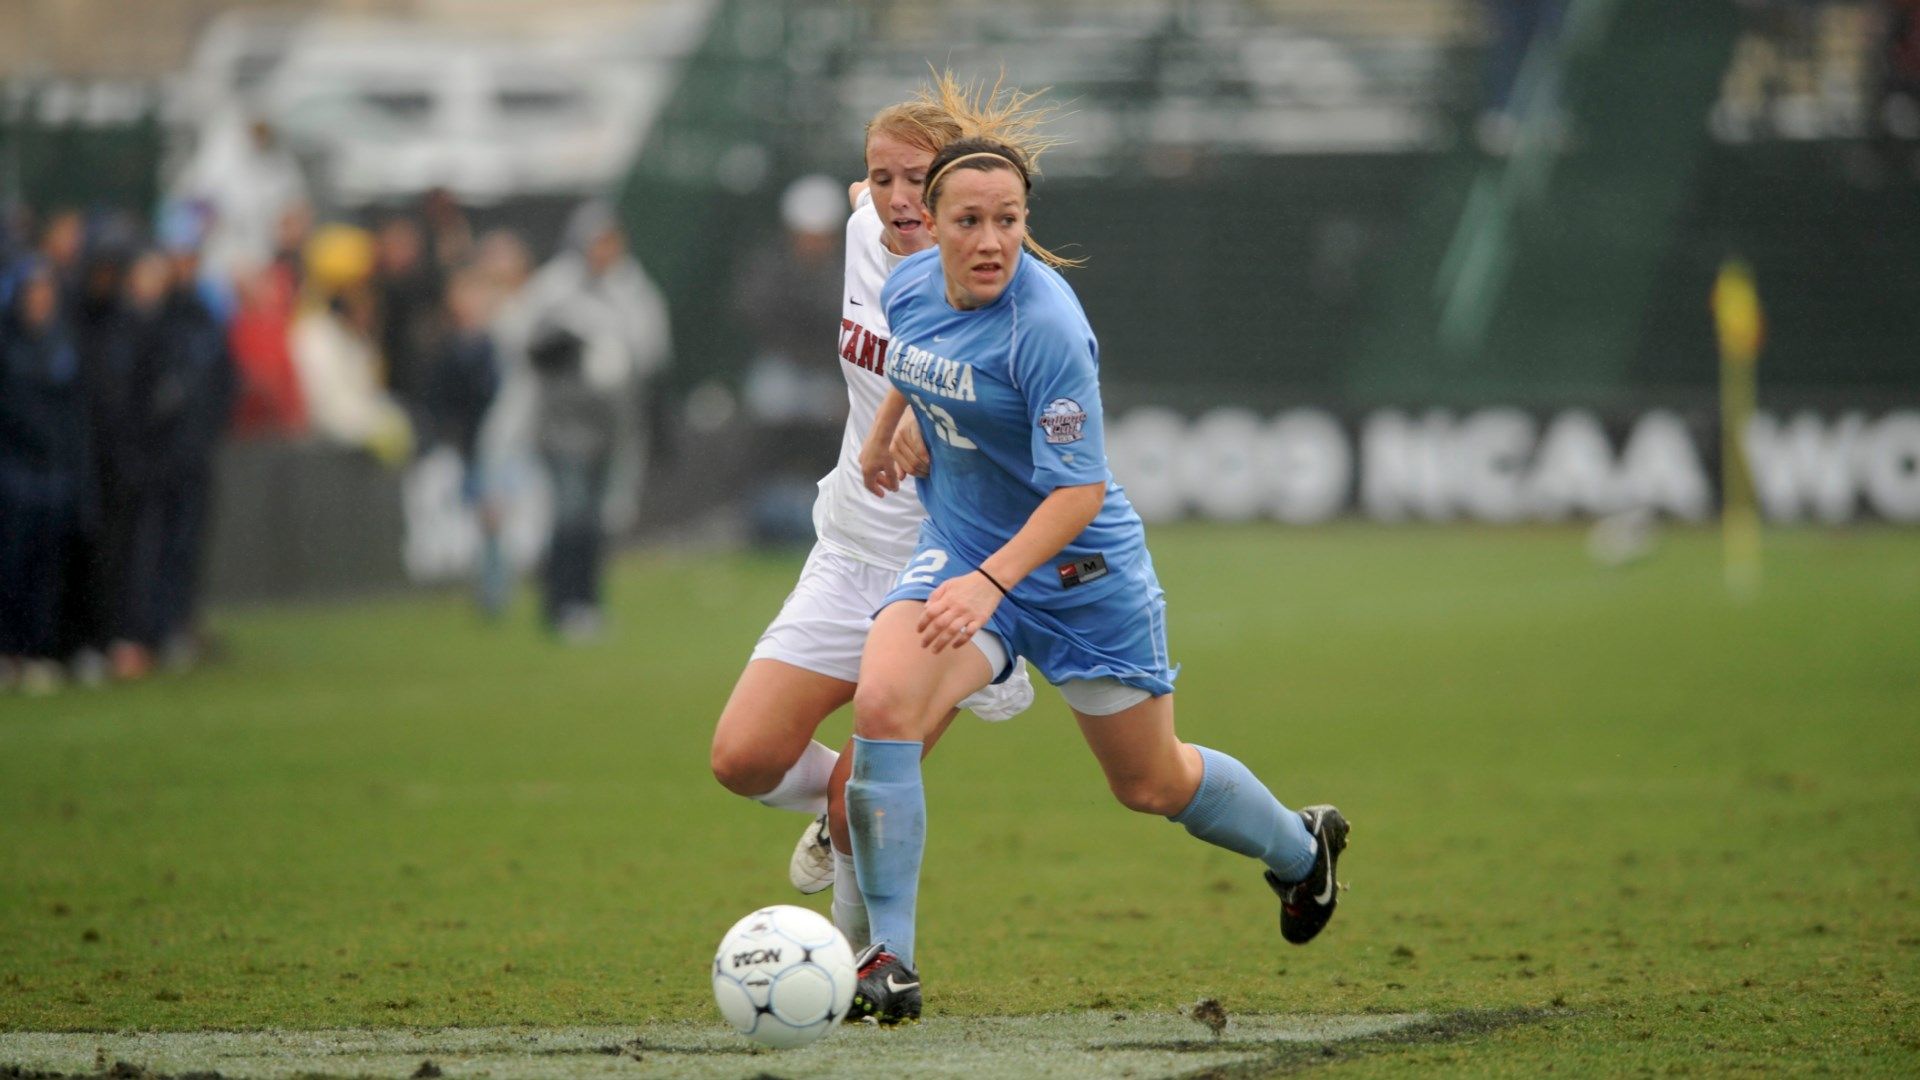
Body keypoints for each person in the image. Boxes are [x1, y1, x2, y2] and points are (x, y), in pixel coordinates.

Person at [843, 136, 1350, 1023]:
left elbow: (1078, 492)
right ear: (932, 223)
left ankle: (1303, 850)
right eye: (971, 221)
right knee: (884, 705)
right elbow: (915, 357)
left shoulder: (1046, 326)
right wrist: (889, 431)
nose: (992, 241)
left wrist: (991, 584)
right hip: (964, 549)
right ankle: (890, 962)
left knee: (1149, 784)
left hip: (1082, 573)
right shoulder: (911, 283)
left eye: (1009, 221)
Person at [707, 75, 1048, 960]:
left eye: (917, 180)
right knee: (742, 759)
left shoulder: (1012, 298)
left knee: (861, 794)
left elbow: (1047, 446)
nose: (899, 198)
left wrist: (954, 426)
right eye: (883, 176)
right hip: (851, 546)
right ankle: (847, 809)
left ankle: (863, 966)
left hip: (945, 573)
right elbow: (870, 197)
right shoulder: (867, 226)